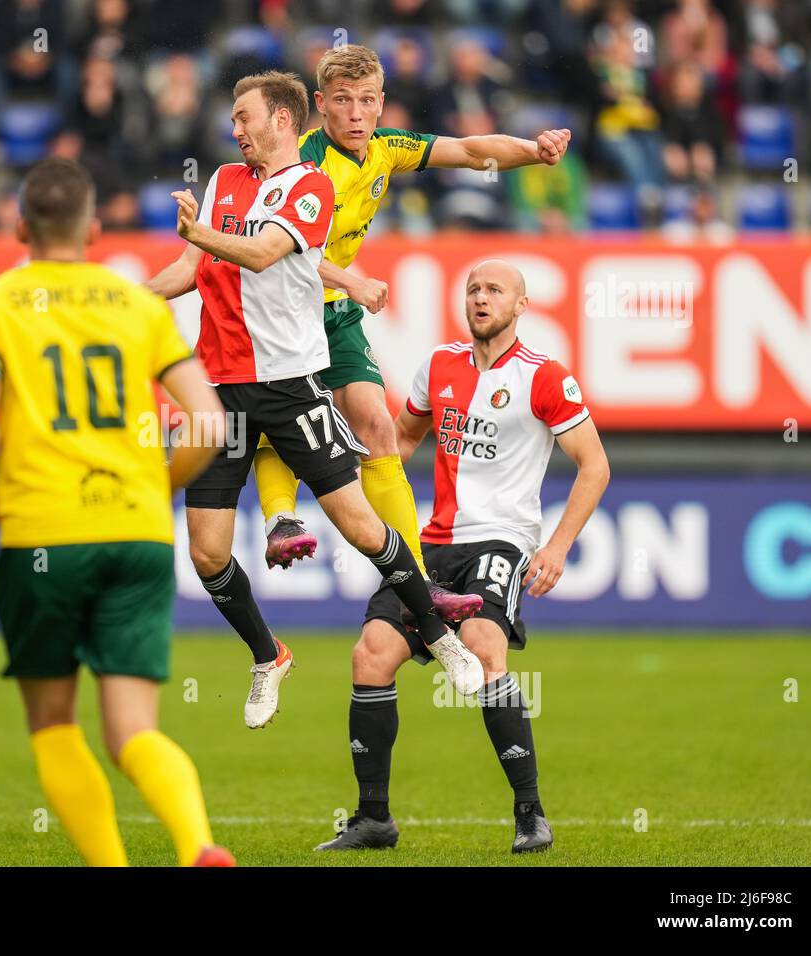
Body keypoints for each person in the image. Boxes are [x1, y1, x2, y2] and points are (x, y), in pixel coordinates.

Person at [147, 71, 485, 729]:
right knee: (207, 553)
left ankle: (442, 640)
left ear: (281, 119)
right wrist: (131, 298)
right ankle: (268, 655)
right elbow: (191, 273)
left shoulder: (311, 186)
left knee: (361, 529)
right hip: (220, 394)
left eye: (244, 116)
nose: (235, 127)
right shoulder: (221, 182)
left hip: (291, 387)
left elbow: (263, 254)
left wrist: (197, 235)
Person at [0, 156, 234, 868]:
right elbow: (207, 420)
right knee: (134, 731)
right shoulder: (136, 305)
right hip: (136, 533)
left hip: (43, 531)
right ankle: (196, 842)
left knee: (53, 723)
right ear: (95, 227)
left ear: (20, 226)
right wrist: (157, 487)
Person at [250, 45, 568, 608]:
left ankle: (419, 581)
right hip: (282, 311)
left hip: (335, 311)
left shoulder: (386, 149)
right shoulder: (298, 163)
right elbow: (271, 248)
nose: (354, 113)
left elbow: (470, 150)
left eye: (366, 101)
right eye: (342, 101)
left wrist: (534, 150)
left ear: (380, 105)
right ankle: (280, 521)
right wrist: (350, 281)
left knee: (376, 422)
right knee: (287, 421)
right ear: (321, 105)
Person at [315, 259, 610, 855]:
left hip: (500, 538)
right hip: (432, 542)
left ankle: (531, 814)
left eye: (495, 290)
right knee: (370, 654)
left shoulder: (545, 377)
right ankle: (374, 819)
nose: (481, 297)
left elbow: (595, 466)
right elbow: (400, 440)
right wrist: (347, 475)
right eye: (473, 288)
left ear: (521, 306)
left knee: (482, 644)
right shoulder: (438, 365)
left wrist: (556, 546)